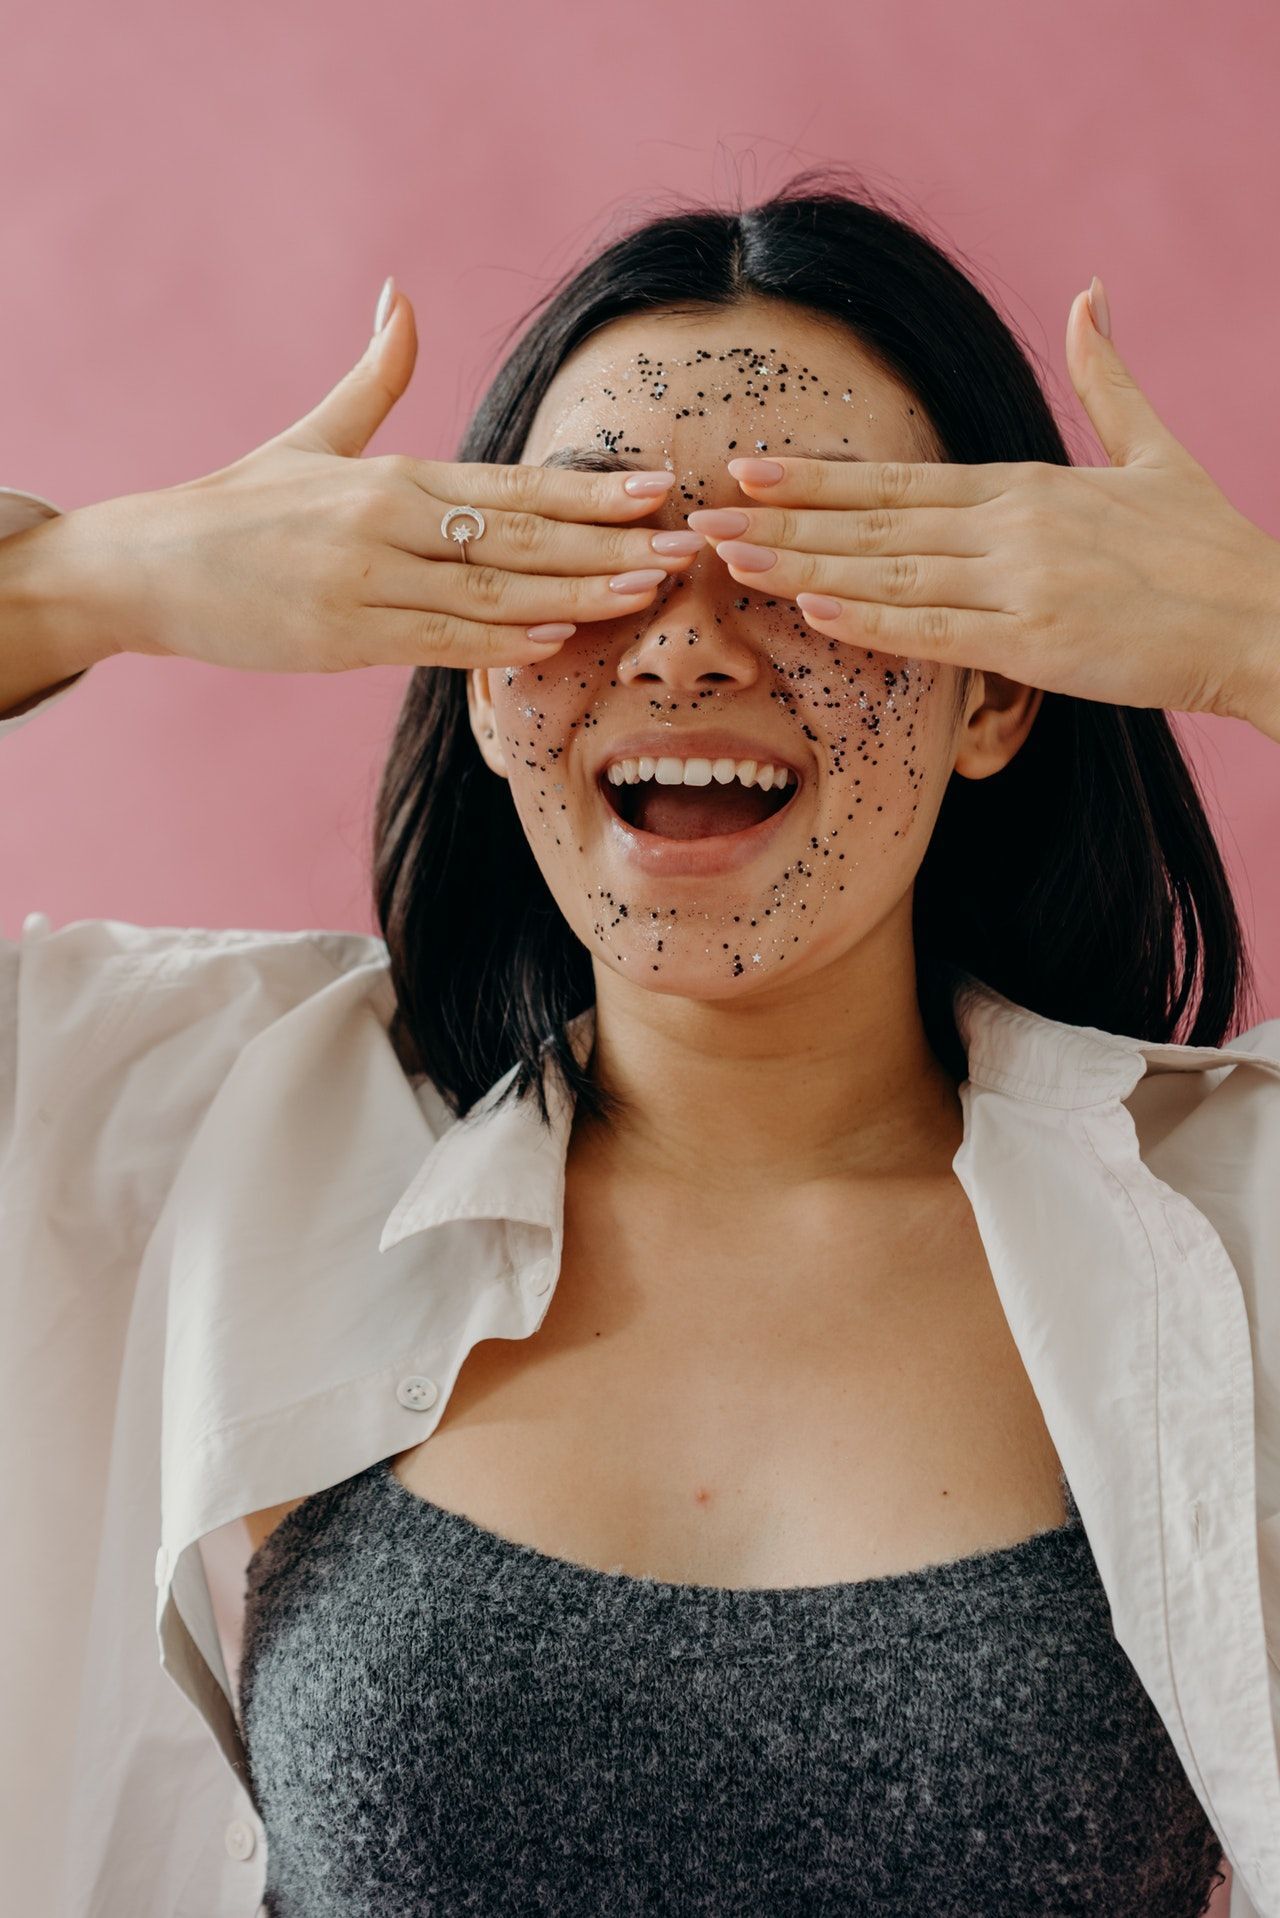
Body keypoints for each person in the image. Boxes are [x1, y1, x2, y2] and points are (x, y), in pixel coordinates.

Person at [2, 176, 1278, 1917]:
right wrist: (93, 577)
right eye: (586, 560)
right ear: (471, 663)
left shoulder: (1236, 1224)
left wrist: (1261, 635)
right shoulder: (208, 1119)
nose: (681, 648)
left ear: (997, 684)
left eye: (810, 558)